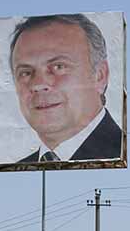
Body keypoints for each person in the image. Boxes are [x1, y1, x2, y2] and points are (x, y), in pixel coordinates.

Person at [10, 14, 123, 163]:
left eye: (58, 67)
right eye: (26, 73)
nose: (38, 84)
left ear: (99, 76)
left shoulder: (122, 149)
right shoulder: (23, 166)